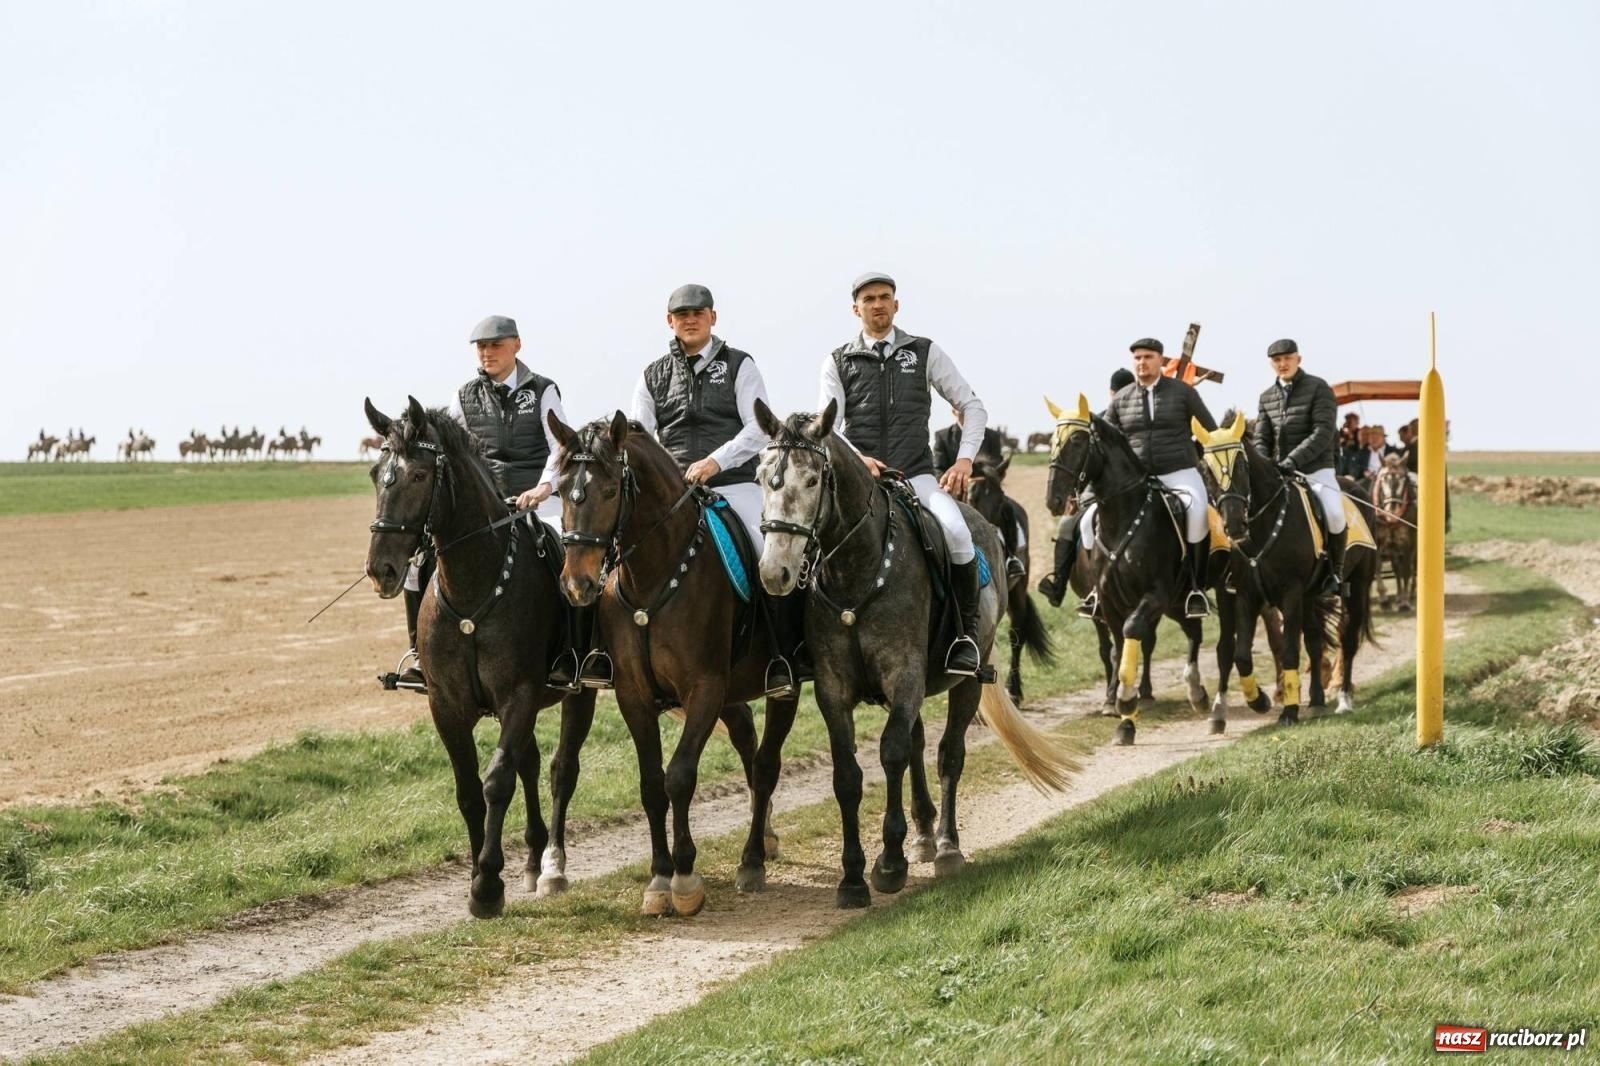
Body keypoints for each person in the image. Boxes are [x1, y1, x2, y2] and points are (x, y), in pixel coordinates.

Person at [630, 284, 800, 697]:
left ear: (712, 317)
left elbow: (759, 427)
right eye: (681, 314)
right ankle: (610, 654)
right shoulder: (652, 375)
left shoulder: (740, 364)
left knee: (768, 555)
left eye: (698, 312)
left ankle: (783, 656)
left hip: (734, 485)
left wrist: (715, 462)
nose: (690, 319)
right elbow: (640, 437)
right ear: (669, 321)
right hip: (675, 495)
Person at [818, 271, 988, 676]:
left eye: (884, 297)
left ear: (896, 304)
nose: (877, 304)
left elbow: (973, 406)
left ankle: (964, 638)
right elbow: (828, 426)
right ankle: (805, 646)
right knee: (806, 542)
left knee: (957, 532)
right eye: (869, 299)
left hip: (915, 476)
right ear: (855, 309)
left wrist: (964, 459)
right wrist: (858, 459)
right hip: (859, 481)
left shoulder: (925, 352)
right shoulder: (837, 360)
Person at [395, 314, 574, 690]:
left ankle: (569, 652)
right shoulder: (463, 397)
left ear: (516, 345)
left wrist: (543, 488)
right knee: (418, 564)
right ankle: (420, 655)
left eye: (496, 345)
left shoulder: (543, 390)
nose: (488, 353)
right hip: (486, 508)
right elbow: (448, 452)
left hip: (538, 503)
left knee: (568, 554)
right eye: (481, 347)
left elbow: (560, 447)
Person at [1104, 339, 1218, 618]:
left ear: (1160, 360)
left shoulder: (1184, 392)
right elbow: (1107, 442)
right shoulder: (1121, 399)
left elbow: (1210, 431)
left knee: (1197, 512)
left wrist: (1194, 454)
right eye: (1138, 358)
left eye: (1148, 357)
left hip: (1179, 472)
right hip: (1136, 480)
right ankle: (1098, 590)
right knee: (1089, 521)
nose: (1142, 362)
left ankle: (1195, 588)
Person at [1252, 338, 1347, 600]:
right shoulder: (1266, 397)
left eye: (1287, 359)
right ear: (1272, 364)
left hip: (1315, 469)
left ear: (1298, 359)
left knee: (1335, 513)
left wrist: (1293, 461)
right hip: (1278, 473)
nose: (1282, 364)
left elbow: (1322, 432)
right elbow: (1261, 438)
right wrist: (1263, 465)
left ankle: (1334, 574)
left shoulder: (1319, 388)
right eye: (1277, 360)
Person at [1038, 367, 1133, 613]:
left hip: (1131, 490)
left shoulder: (1138, 422)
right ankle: (1060, 585)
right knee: (1067, 525)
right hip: (1095, 491)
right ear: (1111, 394)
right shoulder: (1095, 422)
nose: (1121, 397)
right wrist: (1074, 494)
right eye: (1117, 393)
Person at [933, 406, 1026, 580]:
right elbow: (938, 469)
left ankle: (1012, 557)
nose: (965, 414)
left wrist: (984, 475)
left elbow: (997, 466)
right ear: (954, 413)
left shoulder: (991, 436)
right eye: (961, 411)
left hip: (987, 488)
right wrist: (957, 481)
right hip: (956, 491)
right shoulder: (942, 436)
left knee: (1008, 509)